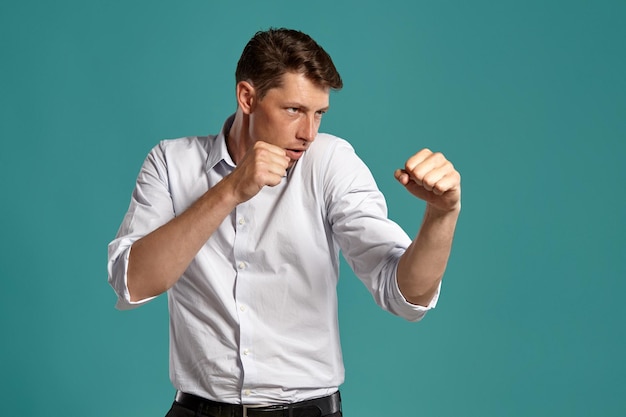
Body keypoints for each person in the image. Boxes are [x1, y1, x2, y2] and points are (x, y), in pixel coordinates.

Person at [108, 28, 461, 417]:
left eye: (319, 114)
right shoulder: (171, 163)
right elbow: (133, 283)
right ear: (247, 97)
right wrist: (230, 190)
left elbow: (403, 294)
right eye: (294, 110)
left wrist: (441, 215)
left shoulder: (330, 162)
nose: (308, 133)